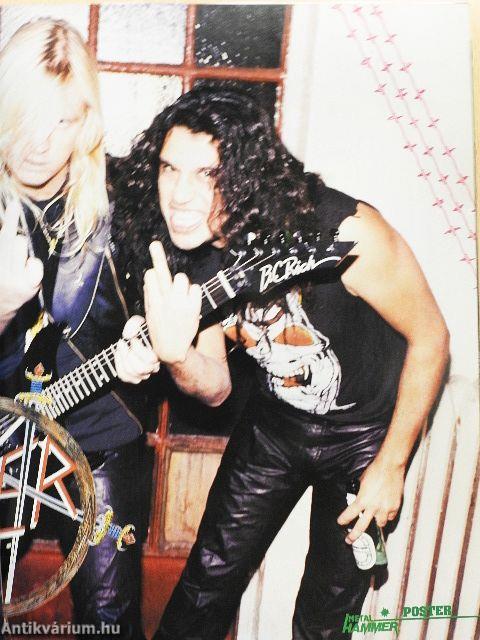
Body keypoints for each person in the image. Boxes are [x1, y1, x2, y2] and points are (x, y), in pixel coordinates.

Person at [114, 88, 449, 640]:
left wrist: (391, 466)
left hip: (364, 434)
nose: (179, 195)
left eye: (207, 173)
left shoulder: (347, 231)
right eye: (170, 169)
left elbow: (432, 337)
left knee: (326, 617)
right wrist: (176, 355)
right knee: (205, 583)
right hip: (274, 424)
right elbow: (215, 386)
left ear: (246, 174)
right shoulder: (187, 252)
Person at [0, 19, 159, 638]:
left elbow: (189, 302)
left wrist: (165, 345)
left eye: (61, 120)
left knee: (110, 621)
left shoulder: (129, 200)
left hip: (97, 436)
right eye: (24, 117)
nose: (40, 144)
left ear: (86, 121)